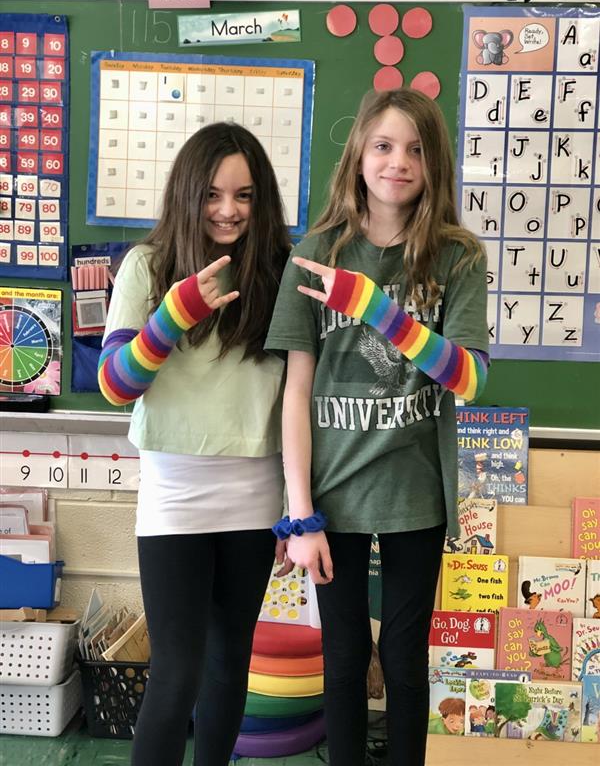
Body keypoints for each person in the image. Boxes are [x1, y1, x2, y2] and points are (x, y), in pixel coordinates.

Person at [266, 88, 489, 766]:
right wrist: (299, 514)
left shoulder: (457, 257)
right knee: (341, 658)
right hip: (333, 495)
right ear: (359, 154)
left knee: (402, 657)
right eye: (384, 145)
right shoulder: (315, 252)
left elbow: (470, 379)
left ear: (434, 163)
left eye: (416, 150)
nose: (398, 162)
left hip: (414, 492)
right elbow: (295, 392)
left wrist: (376, 309)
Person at [98, 122, 290, 766]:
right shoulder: (147, 268)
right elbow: (115, 385)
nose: (229, 211)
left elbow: (299, 399)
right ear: (186, 194)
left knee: (230, 658)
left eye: (244, 195)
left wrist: (298, 505)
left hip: (256, 492)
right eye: (212, 194)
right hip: (175, 493)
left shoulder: (277, 274)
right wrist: (175, 312)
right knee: (177, 668)